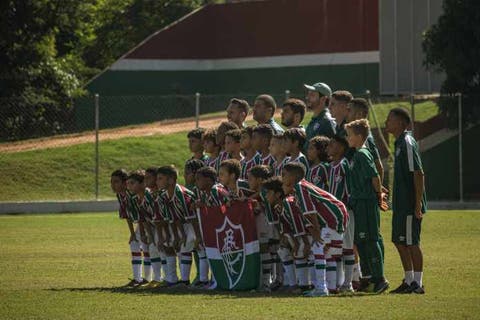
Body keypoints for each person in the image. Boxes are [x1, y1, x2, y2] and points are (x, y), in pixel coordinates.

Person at [282, 162, 348, 297]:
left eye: (284, 175)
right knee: (326, 252)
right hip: (335, 215)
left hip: (332, 218)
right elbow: (308, 216)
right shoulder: (301, 187)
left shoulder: (300, 187)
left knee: (318, 249)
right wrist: (316, 232)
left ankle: (321, 288)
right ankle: (331, 287)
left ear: (293, 176)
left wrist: (317, 234)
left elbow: (310, 213)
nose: (282, 178)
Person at [344, 119, 389, 294]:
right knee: (361, 241)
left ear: (359, 136)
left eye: (349, 135)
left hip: (366, 203)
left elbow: (375, 176)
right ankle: (368, 278)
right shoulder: (356, 154)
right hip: (358, 203)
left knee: (371, 239)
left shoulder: (363, 153)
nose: (347, 138)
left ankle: (380, 278)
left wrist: (378, 196)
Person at [385, 108, 427, 294]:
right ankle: (408, 280)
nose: (386, 122)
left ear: (401, 122)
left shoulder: (408, 142)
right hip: (400, 205)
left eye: (390, 119)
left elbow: (418, 173)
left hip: (410, 204)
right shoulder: (399, 143)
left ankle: (418, 283)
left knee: (411, 242)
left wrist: (417, 203)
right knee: (399, 241)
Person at [327, 135, 356, 293]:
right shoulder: (330, 166)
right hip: (333, 212)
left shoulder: (345, 164)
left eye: (333, 144)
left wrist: (348, 204)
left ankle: (349, 283)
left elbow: (350, 188)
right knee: (336, 247)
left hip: (345, 211)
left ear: (341, 148)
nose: (329, 147)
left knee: (348, 246)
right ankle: (339, 282)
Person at [111, 169, 146, 287]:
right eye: (111, 182)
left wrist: (142, 232)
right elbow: (127, 215)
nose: (113, 185)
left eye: (116, 181)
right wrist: (132, 233)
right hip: (142, 224)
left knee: (149, 248)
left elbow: (142, 213)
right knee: (135, 244)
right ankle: (138, 279)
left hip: (149, 223)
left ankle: (148, 279)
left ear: (124, 182)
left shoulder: (132, 194)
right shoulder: (120, 195)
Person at [303, 82, 336, 150]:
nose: (307, 98)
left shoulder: (327, 121)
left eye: (312, 95)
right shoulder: (315, 119)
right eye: (308, 94)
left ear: (323, 99)